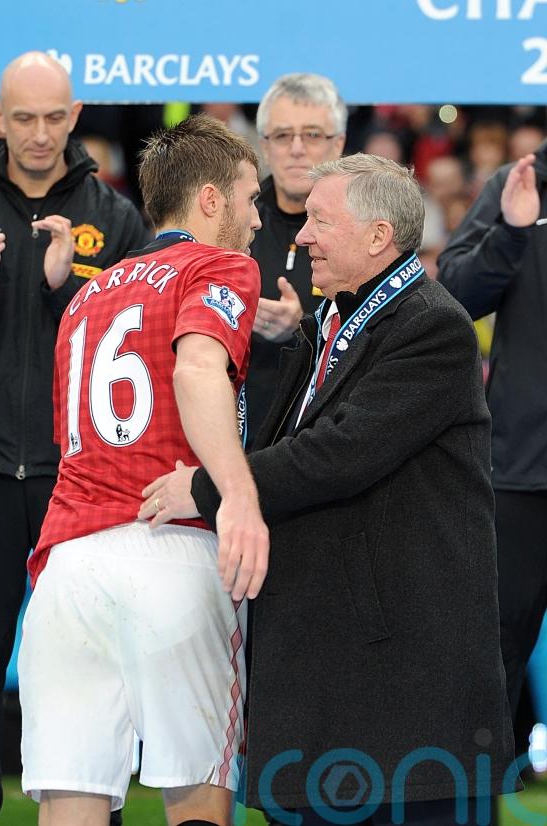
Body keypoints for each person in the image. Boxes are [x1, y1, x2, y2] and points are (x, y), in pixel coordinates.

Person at [140, 154, 517, 825]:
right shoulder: (332, 323)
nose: (302, 235)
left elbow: (339, 455)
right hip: (336, 680)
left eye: (320, 220)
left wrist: (209, 488)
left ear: (378, 236)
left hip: (402, 696)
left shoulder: (432, 325)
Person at [0, 51, 149, 826]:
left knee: (90, 663)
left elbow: (134, 355)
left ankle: (96, 814)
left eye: (53, 117)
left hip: (79, 473)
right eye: (24, 118)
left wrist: (65, 289)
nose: (40, 134)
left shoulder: (116, 219)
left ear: (74, 116)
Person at [18, 114, 269, 826]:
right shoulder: (219, 265)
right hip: (172, 548)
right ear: (211, 199)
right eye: (250, 198)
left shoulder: (86, 296)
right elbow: (196, 368)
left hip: (68, 566)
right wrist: (239, 495)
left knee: (71, 803)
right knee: (196, 795)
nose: (256, 219)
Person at [437, 151, 547, 726]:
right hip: (521, 471)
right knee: (493, 660)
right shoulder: (518, 183)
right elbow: (455, 294)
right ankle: (484, 778)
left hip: (521, 463)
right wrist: (511, 232)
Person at [244, 73, 347, 446]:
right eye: (283, 135)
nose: (297, 149)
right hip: (239, 435)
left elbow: (384, 336)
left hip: (329, 442)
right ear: (264, 146)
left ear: (339, 143)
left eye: (313, 135)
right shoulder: (229, 221)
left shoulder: (366, 229)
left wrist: (303, 327)